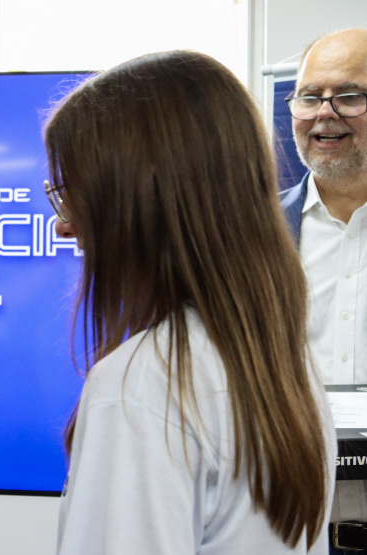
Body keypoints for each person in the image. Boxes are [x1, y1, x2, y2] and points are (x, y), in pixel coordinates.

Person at [44, 50, 335, 554]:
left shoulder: (144, 384)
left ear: (142, 191)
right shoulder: (284, 365)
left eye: (74, 193)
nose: (63, 223)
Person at [280, 28, 367, 553]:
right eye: (309, 96)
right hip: (287, 531)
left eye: (350, 95)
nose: (324, 112)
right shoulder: (253, 233)